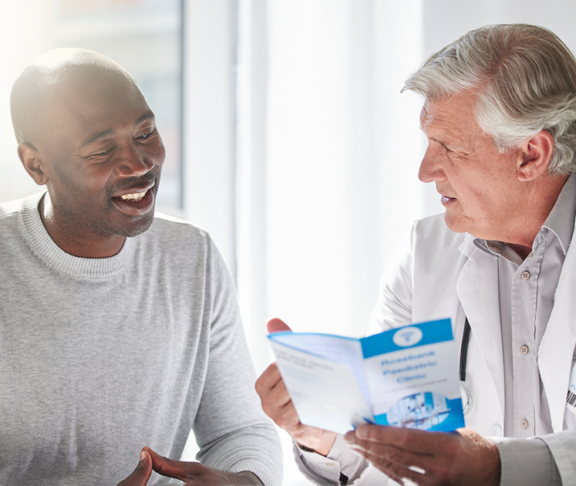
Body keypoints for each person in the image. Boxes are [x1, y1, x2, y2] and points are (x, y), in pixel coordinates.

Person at [256, 23, 576, 485]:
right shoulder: (424, 258)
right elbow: (398, 445)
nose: (425, 171)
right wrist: (326, 433)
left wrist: (496, 467)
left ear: (530, 155)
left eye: (448, 147)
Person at [0, 48, 281, 486]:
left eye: (145, 133)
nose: (139, 164)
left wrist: (241, 481)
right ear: (36, 164)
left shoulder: (192, 258)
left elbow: (240, 431)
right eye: (101, 150)